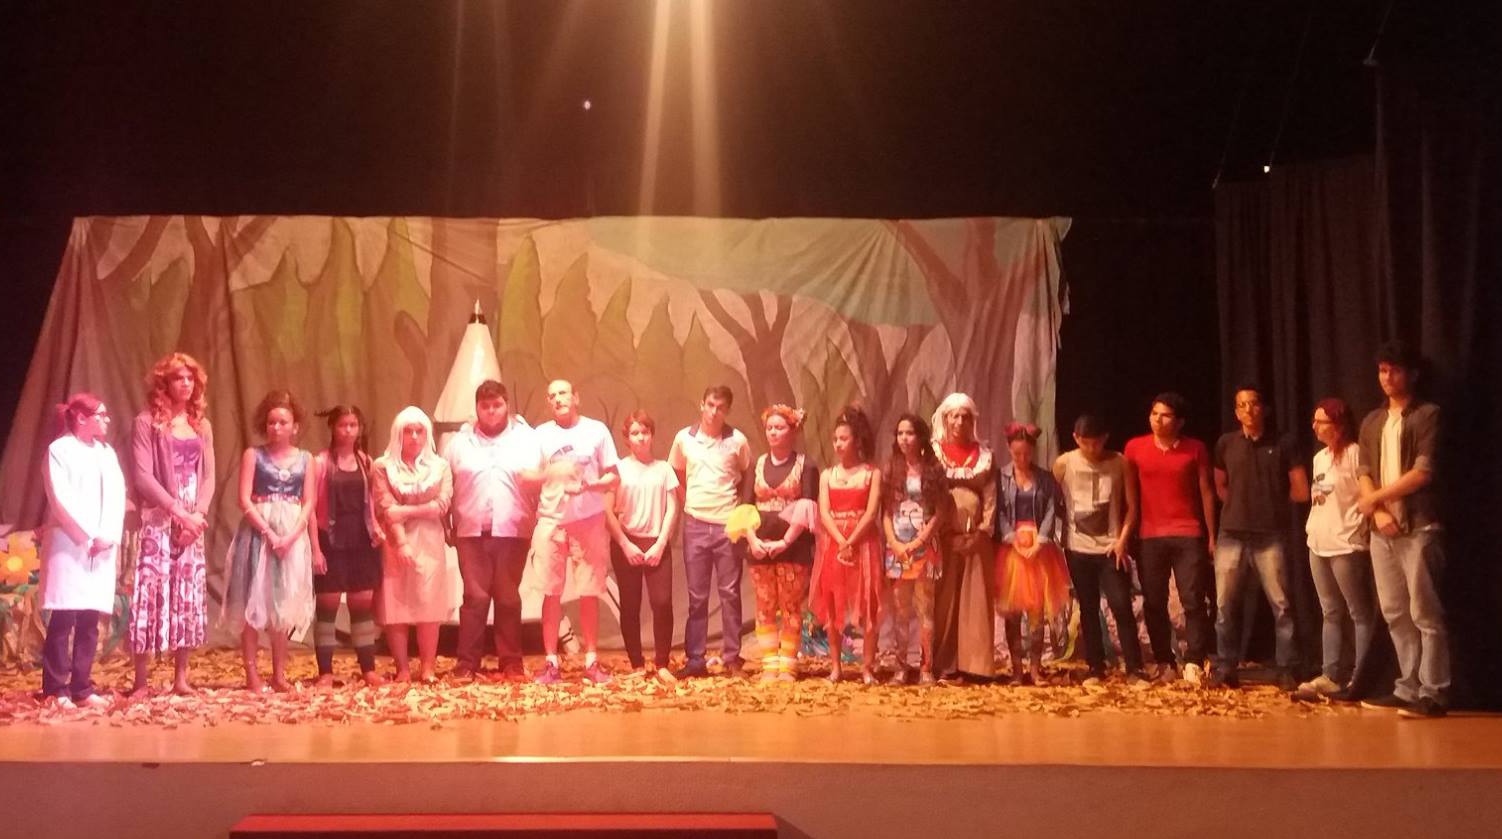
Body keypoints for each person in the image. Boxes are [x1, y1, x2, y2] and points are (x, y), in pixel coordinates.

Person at [1355, 342, 1448, 718]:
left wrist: (1374, 499)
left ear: (1412, 374)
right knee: (1394, 611)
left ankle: (1433, 692)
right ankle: (1408, 687)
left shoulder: (1427, 414)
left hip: (1418, 525)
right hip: (1382, 530)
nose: (1387, 377)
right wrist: (1377, 512)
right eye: (1382, 370)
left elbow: (1423, 472)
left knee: (1425, 611)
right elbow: (1363, 471)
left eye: (1394, 370)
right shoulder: (1372, 421)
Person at [1209, 385, 1309, 689]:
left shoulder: (1284, 442)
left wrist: (1271, 505)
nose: (1248, 410)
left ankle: (1286, 668)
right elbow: (1220, 484)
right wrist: (1238, 507)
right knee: (1225, 606)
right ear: (1236, 412)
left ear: (1263, 408)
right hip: (1231, 534)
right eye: (1241, 405)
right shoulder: (1226, 443)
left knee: (1282, 606)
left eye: (1253, 403)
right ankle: (1225, 668)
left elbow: (1301, 490)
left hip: (1270, 535)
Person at [128, 352, 215, 697]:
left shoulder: (201, 425)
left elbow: (208, 476)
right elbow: (143, 476)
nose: (186, 384)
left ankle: (181, 678)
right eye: (179, 378)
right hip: (160, 516)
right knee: (151, 592)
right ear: (164, 383)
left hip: (192, 519)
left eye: (190, 378)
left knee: (186, 592)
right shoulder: (146, 422)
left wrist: (198, 516)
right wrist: (179, 512)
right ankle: (141, 680)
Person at [444, 380, 542, 681]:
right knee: (474, 597)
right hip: (470, 531)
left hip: (512, 529)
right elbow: (445, 484)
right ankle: (467, 663)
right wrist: (446, 523)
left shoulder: (526, 438)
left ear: (506, 405)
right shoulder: (459, 442)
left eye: (496, 405)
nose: (490, 411)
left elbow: (537, 481)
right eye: (484, 406)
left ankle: (511, 662)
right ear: (476, 408)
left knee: (508, 597)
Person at [222, 390, 317, 692]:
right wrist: (269, 533)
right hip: (257, 534)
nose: (276, 427)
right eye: (272, 422)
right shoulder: (254, 455)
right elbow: (243, 499)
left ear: (295, 426)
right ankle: (252, 674)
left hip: (291, 535)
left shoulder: (306, 459)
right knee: (253, 599)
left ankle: (279, 674)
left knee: (282, 603)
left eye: (283, 422)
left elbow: (309, 502)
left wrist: (292, 535)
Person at [529, 380, 620, 685]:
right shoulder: (540, 434)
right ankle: (551, 663)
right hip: (551, 520)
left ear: (575, 397)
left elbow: (613, 477)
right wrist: (549, 473)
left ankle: (591, 661)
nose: (558, 399)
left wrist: (591, 485)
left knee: (589, 590)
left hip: (588, 520)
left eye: (563, 393)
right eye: (552, 395)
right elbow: (527, 476)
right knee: (551, 591)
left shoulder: (596, 431)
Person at [40, 393, 126, 709]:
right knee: (64, 616)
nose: (106, 420)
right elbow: (60, 497)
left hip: (101, 546)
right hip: (71, 543)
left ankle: (82, 686)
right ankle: (56, 688)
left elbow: (117, 495)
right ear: (81, 418)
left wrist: (107, 535)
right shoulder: (59, 451)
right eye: (100, 415)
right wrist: (87, 537)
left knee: (89, 618)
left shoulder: (106, 453)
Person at [1123, 393, 1216, 686]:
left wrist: (1211, 535)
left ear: (1179, 421)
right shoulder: (1135, 448)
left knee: (1193, 600)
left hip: (1188, 533)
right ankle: (1165, 660)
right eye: (1154, 414)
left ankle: (1194, 660)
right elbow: (1130, 495)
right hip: (1150, 535)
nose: (1157, 420)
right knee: (1154, 602)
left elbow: (1206, 491)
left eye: (1165, 415)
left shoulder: (1195, 448)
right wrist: (1129, 531)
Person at [1053, 414, 1146, 684]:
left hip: (1110, 548)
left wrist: (1122, 540)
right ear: (1076, 438)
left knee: (1121, 604)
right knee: (1088, 606)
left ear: (1105, 438)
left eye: (1096, 443)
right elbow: (1053, 500)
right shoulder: (1064, 463)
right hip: (1077, 548)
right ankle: (1096, 666)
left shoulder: (1119, 462)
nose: (1091, 448)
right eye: (1085, 443)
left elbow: (1132, 507)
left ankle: (1134, 667)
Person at [668, 385, 753, 678]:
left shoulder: (737, 440)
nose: (714, 412)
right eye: (710, 405)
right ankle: (695, 660)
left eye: (721, 408)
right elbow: (676, 472)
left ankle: (731, 658)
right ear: (701, 404)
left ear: (727, 410)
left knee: (729, 593)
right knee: (697, 596)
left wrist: (740, 511)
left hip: (727, 525)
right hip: (695, 525)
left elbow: (748, 473)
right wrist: (688, 501)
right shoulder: (684, 438)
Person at [731, 404, 819, 682]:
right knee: (765, 606)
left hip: (794, 547)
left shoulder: (806, 465)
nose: (773, 432)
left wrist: (785, 541)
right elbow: (745, 506)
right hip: (760, 547)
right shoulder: (756, 465)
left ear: (793, 431)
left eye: (779, 427)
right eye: (769, 428)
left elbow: (808, 507)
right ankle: (770, 664)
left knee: (791, 606)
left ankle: (788, 665)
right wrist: (753, 540)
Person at [1297, 397, 1374, 699]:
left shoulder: (1356, 454)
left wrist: (1359, 527)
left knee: (1358, 612)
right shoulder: (1319, 458)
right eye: (1314, 421)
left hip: (1346, 543)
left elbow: (1365, 494)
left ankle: (1361, 676)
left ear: (1339, 425)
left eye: (1322, 422)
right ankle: (1331, 674)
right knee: (1330, 610)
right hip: (1318, 541)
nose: (1315, 426)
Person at [372, 406, 454, 683]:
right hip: (396, 542)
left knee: (429, 604)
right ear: (399, 434)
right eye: (409, 431)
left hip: (430, 540)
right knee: (397, 604)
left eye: (420, 431)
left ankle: (428, 667)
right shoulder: (383, 466)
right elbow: (386, 508)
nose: (415, 437)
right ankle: (403, 669)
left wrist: (405, 511)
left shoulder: (440, 467)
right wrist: (402, 543)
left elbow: (441, 505)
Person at [310, 405, 384, 688]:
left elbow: (372, 503)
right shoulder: (320, 462)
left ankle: (368, 669)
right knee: (327, 607)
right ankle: (325, 672)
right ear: (333, 427)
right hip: (330, 540)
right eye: (343, 425)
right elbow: (311, 509)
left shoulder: (366, 462)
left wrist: (376, 528)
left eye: (353, 425)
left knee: (362, 606)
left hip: (362, 541)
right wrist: (315, 549)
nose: (348, 430)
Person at [604, 410, 681, 679]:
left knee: (662, 602)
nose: (640, 438)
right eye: (635, 433)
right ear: (627, 438)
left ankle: (662, 664)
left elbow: (673, 508)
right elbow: (607, 511)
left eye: (645, 432)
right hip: (627, 543)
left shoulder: (664, 469)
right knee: (630, 604)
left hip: (656, 541)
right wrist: (625, 544)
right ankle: (636, 664)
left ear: (652, 435)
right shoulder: (619, 469)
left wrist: (661, 543)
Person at [994, 422, 1071, 685]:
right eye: (1017, 454)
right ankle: (1017, 669)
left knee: (1037, 613)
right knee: (1013, 613)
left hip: (1039, 549)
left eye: (1027, 453)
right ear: (1009, 450)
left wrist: (1041, 541)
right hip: (1013, 550)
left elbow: (1051, 509)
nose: (1022, 458)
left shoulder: (1045, 478)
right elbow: (999, 512)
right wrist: (1011, 539)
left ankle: (1036, 669)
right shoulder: (1001, 477)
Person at [930, 393, 998, 682]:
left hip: (975, 540)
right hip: (944, 538)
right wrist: (944, 532)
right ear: (946, 419)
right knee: (944, 602)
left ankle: (975, 665)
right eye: (954, 416)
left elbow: (991, 497)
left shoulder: (984, 456)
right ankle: (944, 663)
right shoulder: (934, 454)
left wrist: (981, 532)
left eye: (965, 417)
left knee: (975, 601)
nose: (959, 422)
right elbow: (929, 495)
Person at [814, 406, 884, 683]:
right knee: (833, 603)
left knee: (868, 603)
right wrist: (841, 540)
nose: (838, 444)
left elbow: (871, 512)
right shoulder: (827, 475)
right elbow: (824, 512)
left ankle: (867, 667)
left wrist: (852, 540)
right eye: (835, 439)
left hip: (863, 544)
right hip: (834, 545)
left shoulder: (871, 473)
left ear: (856, 440)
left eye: (844, 439)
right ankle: (836, 667)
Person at [880, 414, 946, 685]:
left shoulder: (933, 469)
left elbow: (940, 511)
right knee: (900, 611)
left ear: (920, 437)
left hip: (925, 548)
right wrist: (895, 544)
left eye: (909, 433)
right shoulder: (891, 469)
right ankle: (900, 667)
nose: (904, 439)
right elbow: (886, 513)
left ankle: (926, 668)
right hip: (897, 550)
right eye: (900, 433)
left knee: (925, 609)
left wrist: (920, 542)